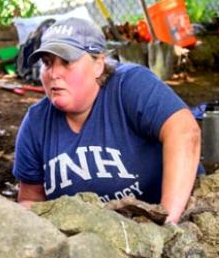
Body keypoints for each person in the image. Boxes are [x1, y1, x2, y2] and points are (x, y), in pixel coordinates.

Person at [12, 17, 201, 224]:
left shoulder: (129, 86)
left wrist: (168, 225)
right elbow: (31, 200)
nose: (54, 73)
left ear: (98, 65)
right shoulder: (36, 123)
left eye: (66, 62)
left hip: (160, 225)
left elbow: (184, 132)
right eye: (47, 63)